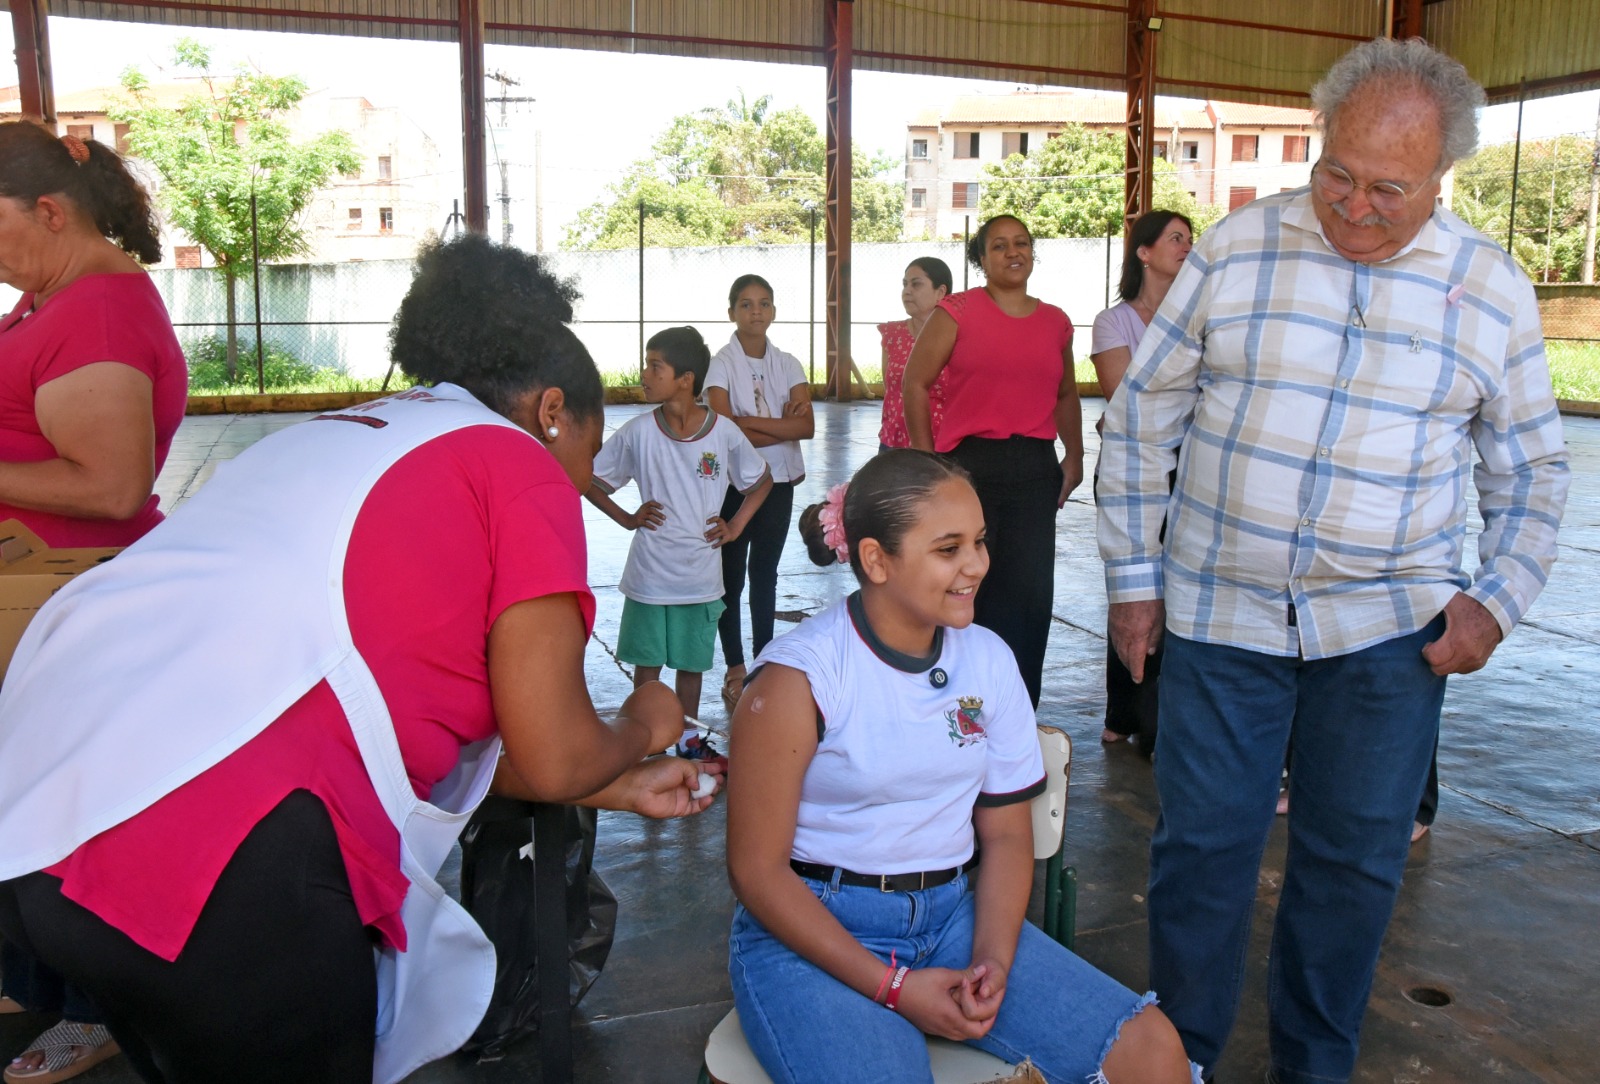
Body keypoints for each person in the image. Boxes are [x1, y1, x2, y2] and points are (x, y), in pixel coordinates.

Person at [0, 234, 719, 1084]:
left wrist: (615, 785)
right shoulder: (515, 461)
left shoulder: (339, 437)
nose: (579, 482)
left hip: (43, 819)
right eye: (588, 457)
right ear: (552, 411)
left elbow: (400, 713)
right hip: (216, 860)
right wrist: (641, 724)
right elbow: (557, 753)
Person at [1096, 38, 1570, 1083]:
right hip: (1220, 612)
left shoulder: (1489, 288)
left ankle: (1314, 1068)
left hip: (1387, 633)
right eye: (1336, 175)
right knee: (1200, 853)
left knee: (1352, 865)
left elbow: (1532, 468)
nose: (1354, 207)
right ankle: (1181, 1062)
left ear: (1441, 178)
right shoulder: (1238, 248)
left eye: (1388, 190)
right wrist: (1132, 581)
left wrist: (1494, 601)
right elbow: (1141, 420)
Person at [725, 450, 1198, 1084]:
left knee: (1155, 1053)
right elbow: (756, 872)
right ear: (876, 560)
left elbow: (1006, 835)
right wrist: (895, 988)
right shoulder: (798, 679)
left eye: (978, 541)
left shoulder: (988, 660)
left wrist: (992, 964)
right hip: (813, 932)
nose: (977, 564)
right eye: (949, 549)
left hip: (952, 919)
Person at [0, 118, 189, 1084]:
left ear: (49, 211)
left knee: (71, 815)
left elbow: (114, 487)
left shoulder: (100, 313)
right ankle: (34, 975)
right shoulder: (50, 296)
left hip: (64, 596)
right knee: (24, 797)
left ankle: (95, 1006)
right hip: (36, 591)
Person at [904, 215, 1084, 707]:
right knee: (965, 588)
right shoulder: (957, 312)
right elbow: (915, 383)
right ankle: (957, 708)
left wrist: (1074, 453)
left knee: (1029, 597)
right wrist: (926, 460)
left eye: (1021, 243)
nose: (1012, 252)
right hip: (970, 470)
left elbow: (1066, 393)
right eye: (999, 245)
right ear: (981, 259)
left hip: (1034, 469)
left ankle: (1018, 711)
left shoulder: (1056, 322)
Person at [587, 326, 772, 723]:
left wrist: (736, 526)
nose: (644, 374)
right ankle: (646, 737)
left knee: (691, 669)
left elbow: (761, 481)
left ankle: (688, 740)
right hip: (649, 576)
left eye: (656, 367)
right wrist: (627, 519)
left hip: (699, 578)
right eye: (646, 365)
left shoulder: (723, 432)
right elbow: (590, 480)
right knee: (647, 671)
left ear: (686, 379)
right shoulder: (638, 432)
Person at [1089, 210, 1192, 753]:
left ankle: (1158, 720)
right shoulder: (1115, 321)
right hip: (1130, 466)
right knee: (1133, 585)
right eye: (1175, 238)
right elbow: (1123, 399)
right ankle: (1126, 712)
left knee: (1175, 591)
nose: (1187, 246)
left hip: (1190, 466)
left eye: (1190, 239)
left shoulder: (1199, 318)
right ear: (1144, 253)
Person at [706, 274, 813, 714]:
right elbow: (721, 428)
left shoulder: (788, 363)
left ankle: (764, 662)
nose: (756, 311)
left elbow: (806, 427)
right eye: (746, 304)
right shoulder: (720, 364)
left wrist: (746, 424)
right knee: (730, 577)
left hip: (779, 482)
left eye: (764, 303)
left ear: (773, 311)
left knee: (765, 573)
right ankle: (735, 667)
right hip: (734, 485)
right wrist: (780, 427)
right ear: (731, 311)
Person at [877, 257, 952, 452]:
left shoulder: (956, 337)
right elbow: (890, 389)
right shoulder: (893, 335)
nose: (907, 291)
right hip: (893, 444)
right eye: (905, 284)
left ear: (940, 292)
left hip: (944, 446)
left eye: (916, 284)